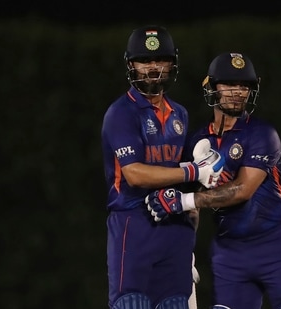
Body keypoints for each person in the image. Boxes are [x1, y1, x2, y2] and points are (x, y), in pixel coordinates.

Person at [145, 52, 281, 309]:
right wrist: (184, 253)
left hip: (275, 243)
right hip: (229, 251)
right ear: (212, 87)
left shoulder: (261, 133)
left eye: (244, 86)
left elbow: (242, 190)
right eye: (229, 84)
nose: (237, 92)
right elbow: (191, 210)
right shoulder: (195, 140)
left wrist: (182, 200)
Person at [101, 25, 223, 309]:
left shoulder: (179, 113)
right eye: (144, 61)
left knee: (176, 303)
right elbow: (134, 174)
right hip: (133, 222)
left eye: (160, 60)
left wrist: (191, 220)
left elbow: (187, 177)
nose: (153, 68)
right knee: (131, 303)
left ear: (172, 63)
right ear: (131, 65)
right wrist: (193, 170)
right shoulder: (121, 113)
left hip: (174, 224)